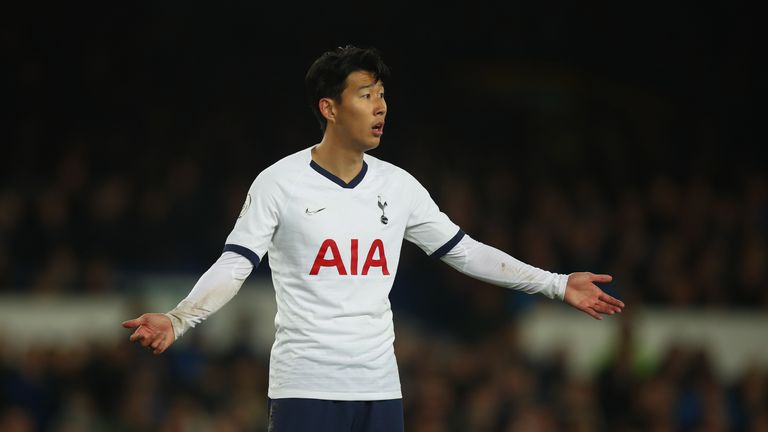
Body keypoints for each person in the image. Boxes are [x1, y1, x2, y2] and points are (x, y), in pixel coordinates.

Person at [122, 45, 625, 432]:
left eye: (382, 94)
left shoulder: (397, 185)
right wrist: (179, 318)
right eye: (366, 95)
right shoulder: (279, 182)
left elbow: (465, 251)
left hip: (380, 387)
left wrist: (557, 284)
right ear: (330, 108)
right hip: (306, 388)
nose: (380, 105)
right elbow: (236, 264)